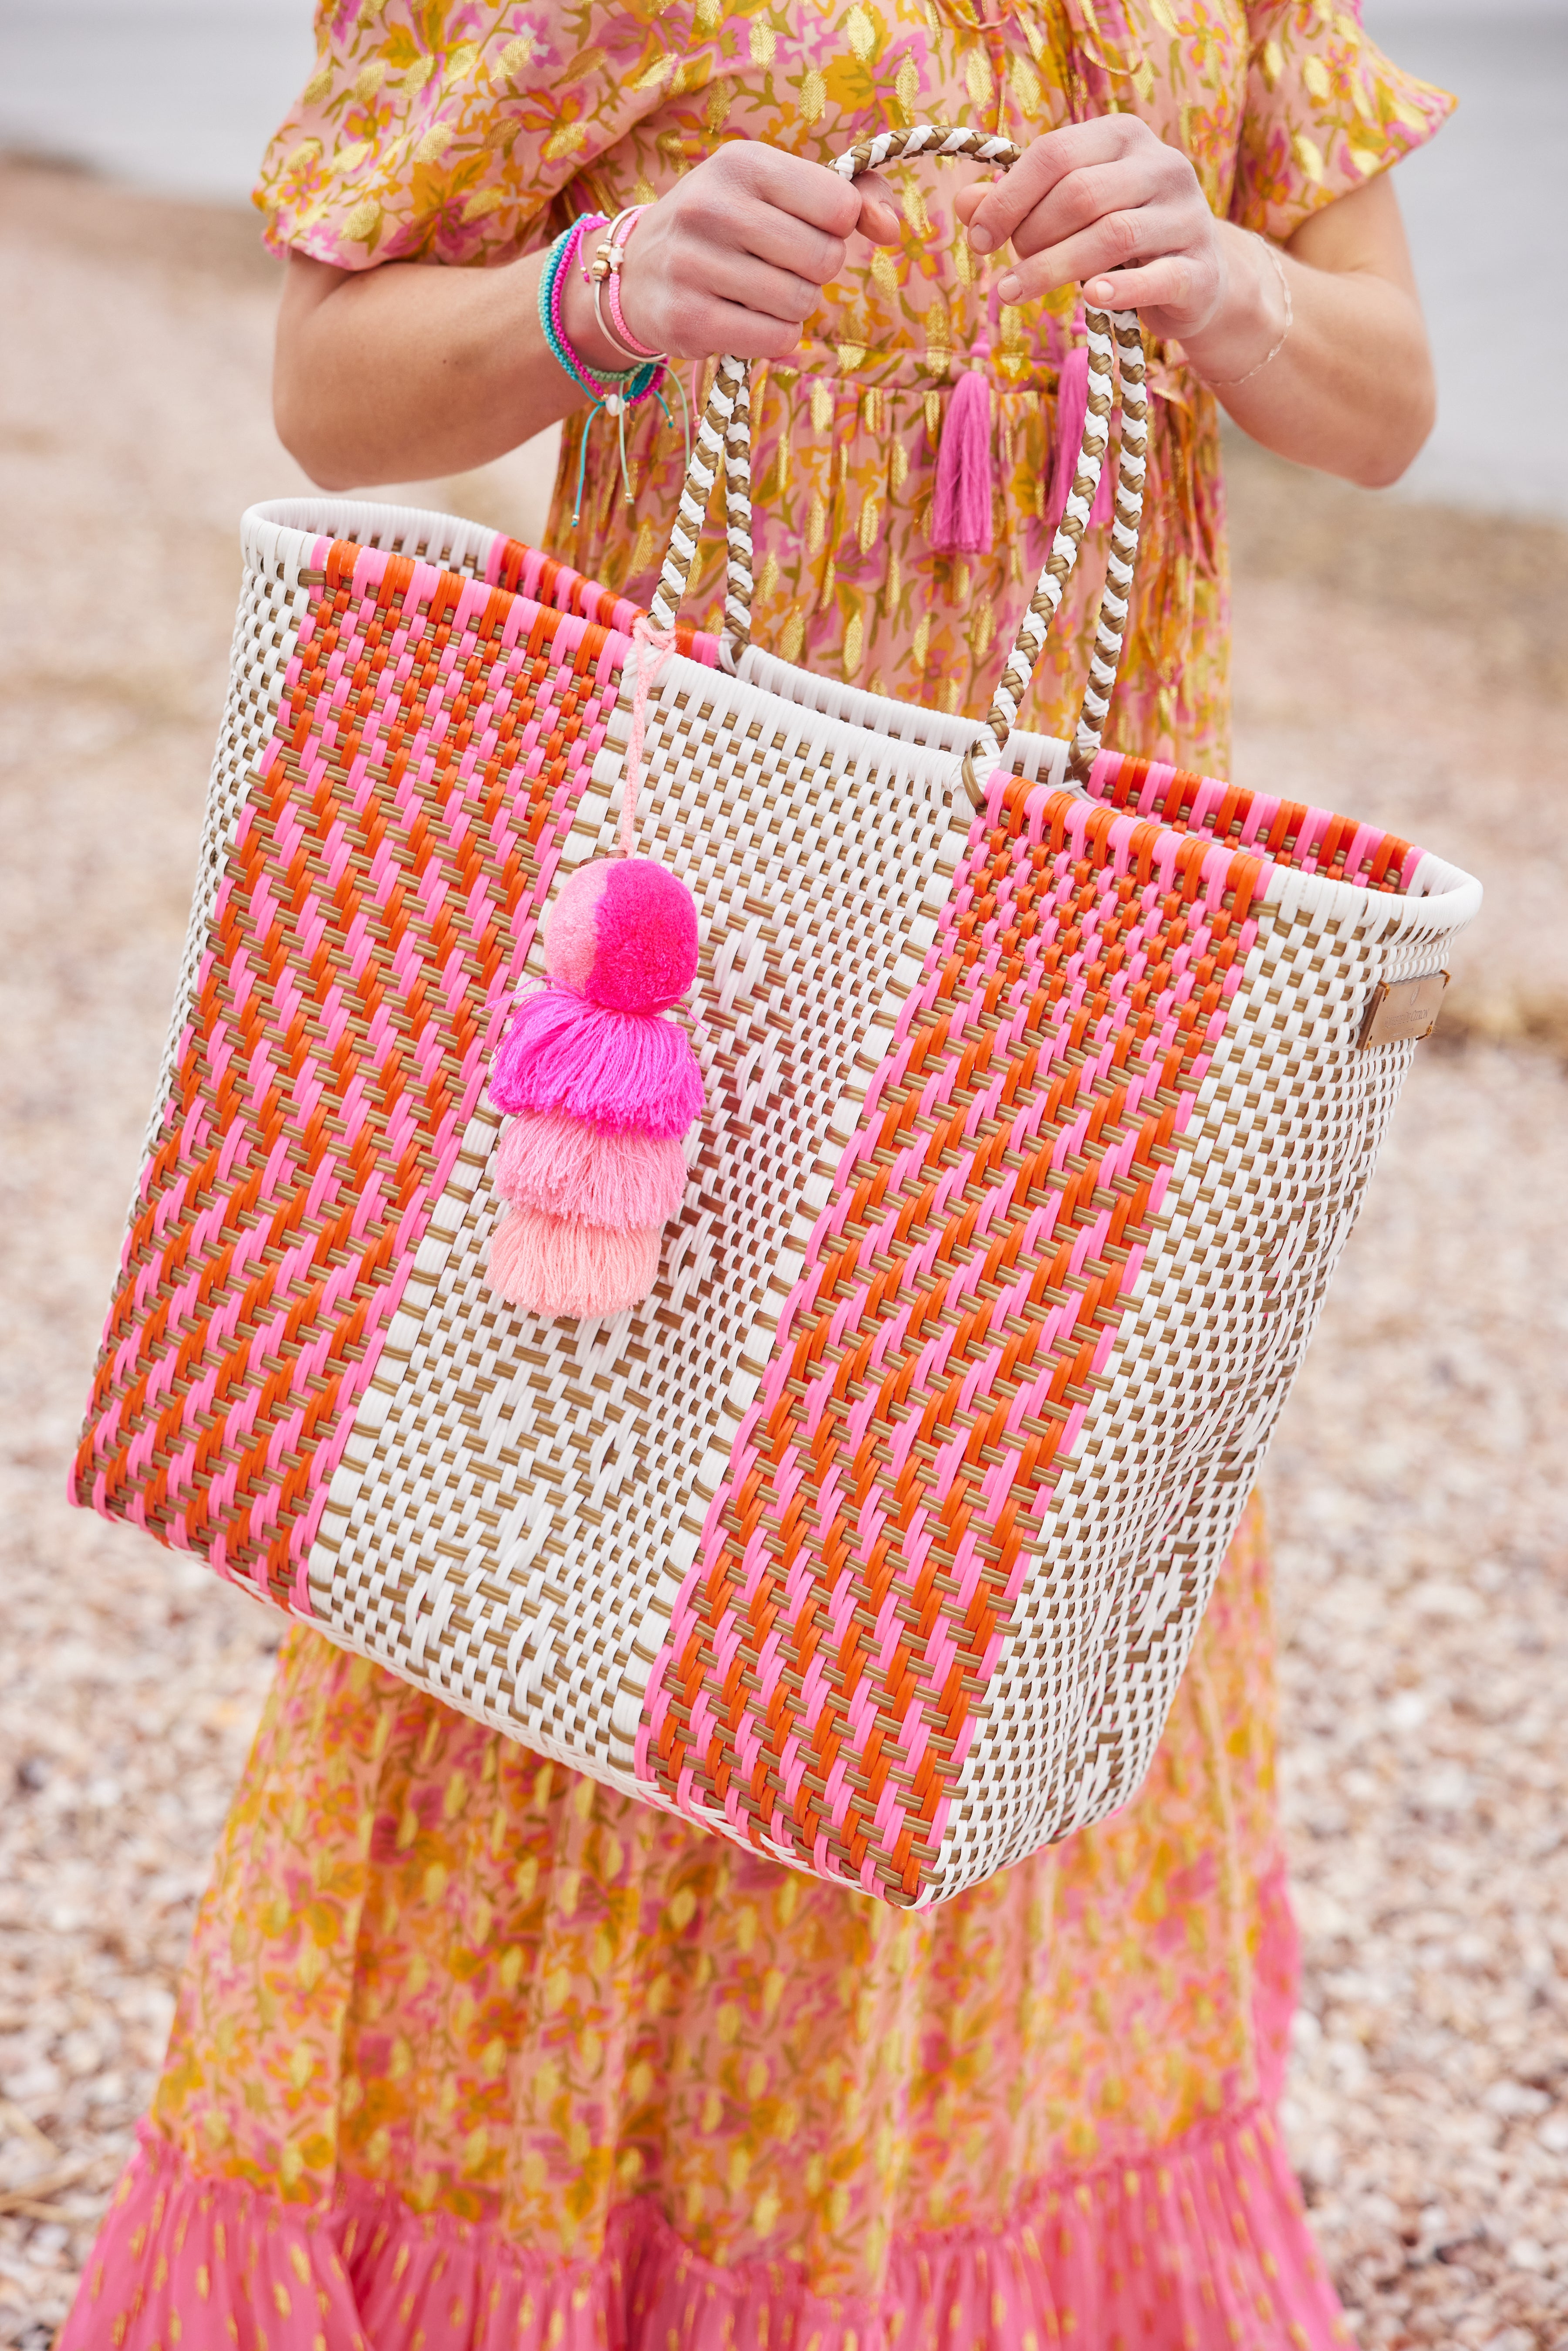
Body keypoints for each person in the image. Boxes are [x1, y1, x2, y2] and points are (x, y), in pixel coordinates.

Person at [62, 3, 1450, 2343]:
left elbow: (1387, 402)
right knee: (587, 1577)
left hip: (1077, 979)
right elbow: (327, 384)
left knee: (977, 1636)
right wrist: (590, 296)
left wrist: (1220, 284)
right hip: (696, 955)